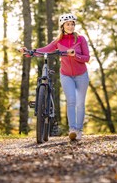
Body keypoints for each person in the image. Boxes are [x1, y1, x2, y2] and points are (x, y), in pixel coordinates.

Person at [20, 13, 90, 141]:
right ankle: (72, 130)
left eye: (72, 24)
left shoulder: (81, 39)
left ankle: (79, 130)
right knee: (71, 101)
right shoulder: (58, 41)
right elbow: (45, 50)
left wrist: (75, 56)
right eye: (68, 24)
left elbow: (87, 58)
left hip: (81, 75)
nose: (71, 26)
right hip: (66, 75)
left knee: (80, 103)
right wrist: (29, 52)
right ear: (62, 26)